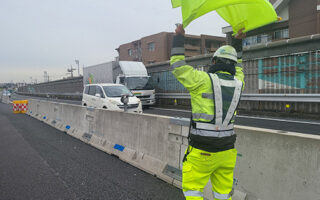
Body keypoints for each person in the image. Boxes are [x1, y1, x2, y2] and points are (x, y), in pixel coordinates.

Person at [170, 24, 245, 200]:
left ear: (214, 62)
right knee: (223, 194)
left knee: (193, 190)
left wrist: (179, 38)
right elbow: (239, 69)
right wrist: (238, 44)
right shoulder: (239, 84)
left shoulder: (201, 80)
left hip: (202, 151)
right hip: (227, 152)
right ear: (233, 65)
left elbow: (178, 66)